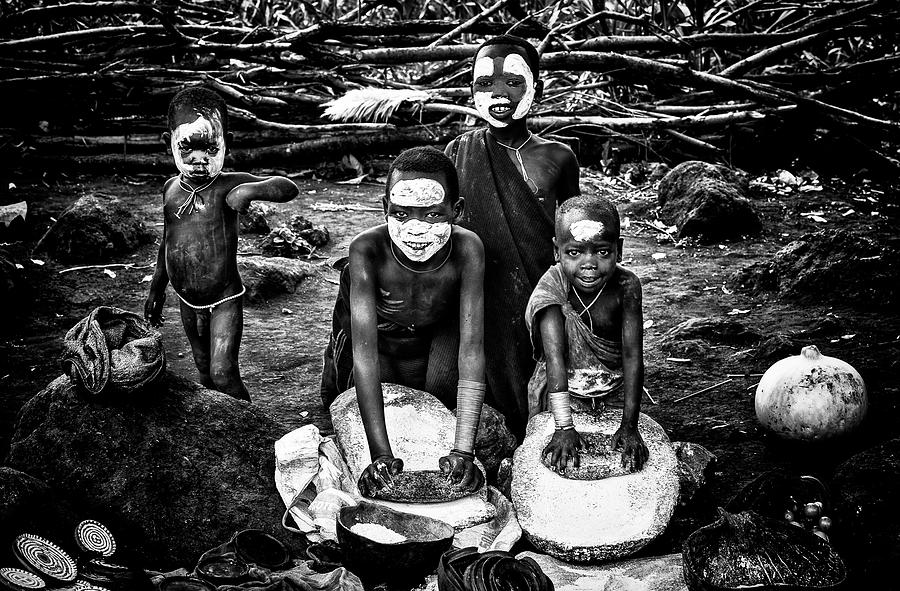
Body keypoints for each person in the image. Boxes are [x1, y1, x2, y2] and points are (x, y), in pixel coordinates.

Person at [320, 146, 487, 496]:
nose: (415, 228)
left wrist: (463, 449)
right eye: (401, 213)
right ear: (384, 210)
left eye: (431, 215)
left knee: (437, 402)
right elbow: (365, 356)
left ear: (456, 211)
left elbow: (471, 348)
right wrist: (380, 455)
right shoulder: (367, 249)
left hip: (433, 335)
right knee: (353, 404)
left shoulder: (468, 249)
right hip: (377, 341)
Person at [445, 34, 580, 439]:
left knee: (543, 376)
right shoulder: (458, 151)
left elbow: (572, 229)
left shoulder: (558, 157)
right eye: (485, 83)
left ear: (536, 87)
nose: (498, 93)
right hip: (476, 289)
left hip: (539, 289)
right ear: (471, 91)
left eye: (513, 81)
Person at [144, 87, 299, 401]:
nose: (199, 159)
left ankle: (250, 429)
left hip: (224, 298)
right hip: (185, 298)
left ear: (227, 142)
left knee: (223, 373)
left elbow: (287, 187)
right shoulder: (170, 189)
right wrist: (156, 290)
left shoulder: (229, 183)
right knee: (202, 369)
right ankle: (218, 432)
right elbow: (167, 240)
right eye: (187, 147)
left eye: (211, 148)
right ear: (168, 143)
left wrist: (249, 192)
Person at [525, 194, 649, 473]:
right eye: (574, 252)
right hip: (562, 390)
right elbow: (554, 358)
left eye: (602, 252)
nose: (589, 263)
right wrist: (564, 427)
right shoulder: (551, 288)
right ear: (557, 251)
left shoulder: (626, 286)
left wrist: (629, 426)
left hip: (614, 388)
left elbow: (633, 356)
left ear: (619, 249)